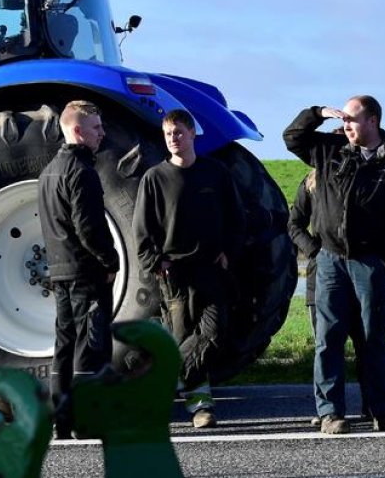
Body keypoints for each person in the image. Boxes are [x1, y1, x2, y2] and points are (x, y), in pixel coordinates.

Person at [284, 95, 385, 435]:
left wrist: (381, 255)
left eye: (352, 119)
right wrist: (317, 113)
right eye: (343, 120)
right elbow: (292, 138)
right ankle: (330, 413)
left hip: (369, 262)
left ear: (373, 121)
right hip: (330, 260)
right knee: (328, 339)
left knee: (374, 335)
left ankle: (381, 410)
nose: (345, 125)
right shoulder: (330, 150)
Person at [133, 109, 244, 429]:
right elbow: (142, 230)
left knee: (213, 333)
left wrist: (229, 253)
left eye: (179, 133)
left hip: (211, 269)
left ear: (193, 134)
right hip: (174, 274)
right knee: (182, 335)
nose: (173, 139)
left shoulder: (215, 173)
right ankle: (201, 408)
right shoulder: (155, 178)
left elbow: (236, 220)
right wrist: (157, 263)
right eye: (168, 134)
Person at [38, 100, 119, 439]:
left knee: (65, 345)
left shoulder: (47, 173)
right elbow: (89, 228)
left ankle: (63, 420)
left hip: (59, 272)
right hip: (85, 274)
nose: (102, 133)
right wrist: (110, 261)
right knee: (91, 345)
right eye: (96, 127)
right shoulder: (81, 172)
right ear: (76, 130)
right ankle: (86, 421)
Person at [288, 159, 371, 427]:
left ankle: (372, 406)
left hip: (360, 271)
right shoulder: (311, 183)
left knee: (367, 343)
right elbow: (294, 224)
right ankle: (328, 410)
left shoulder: (365, 181)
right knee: (326, 345)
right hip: (321, 276)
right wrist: (316, 252)